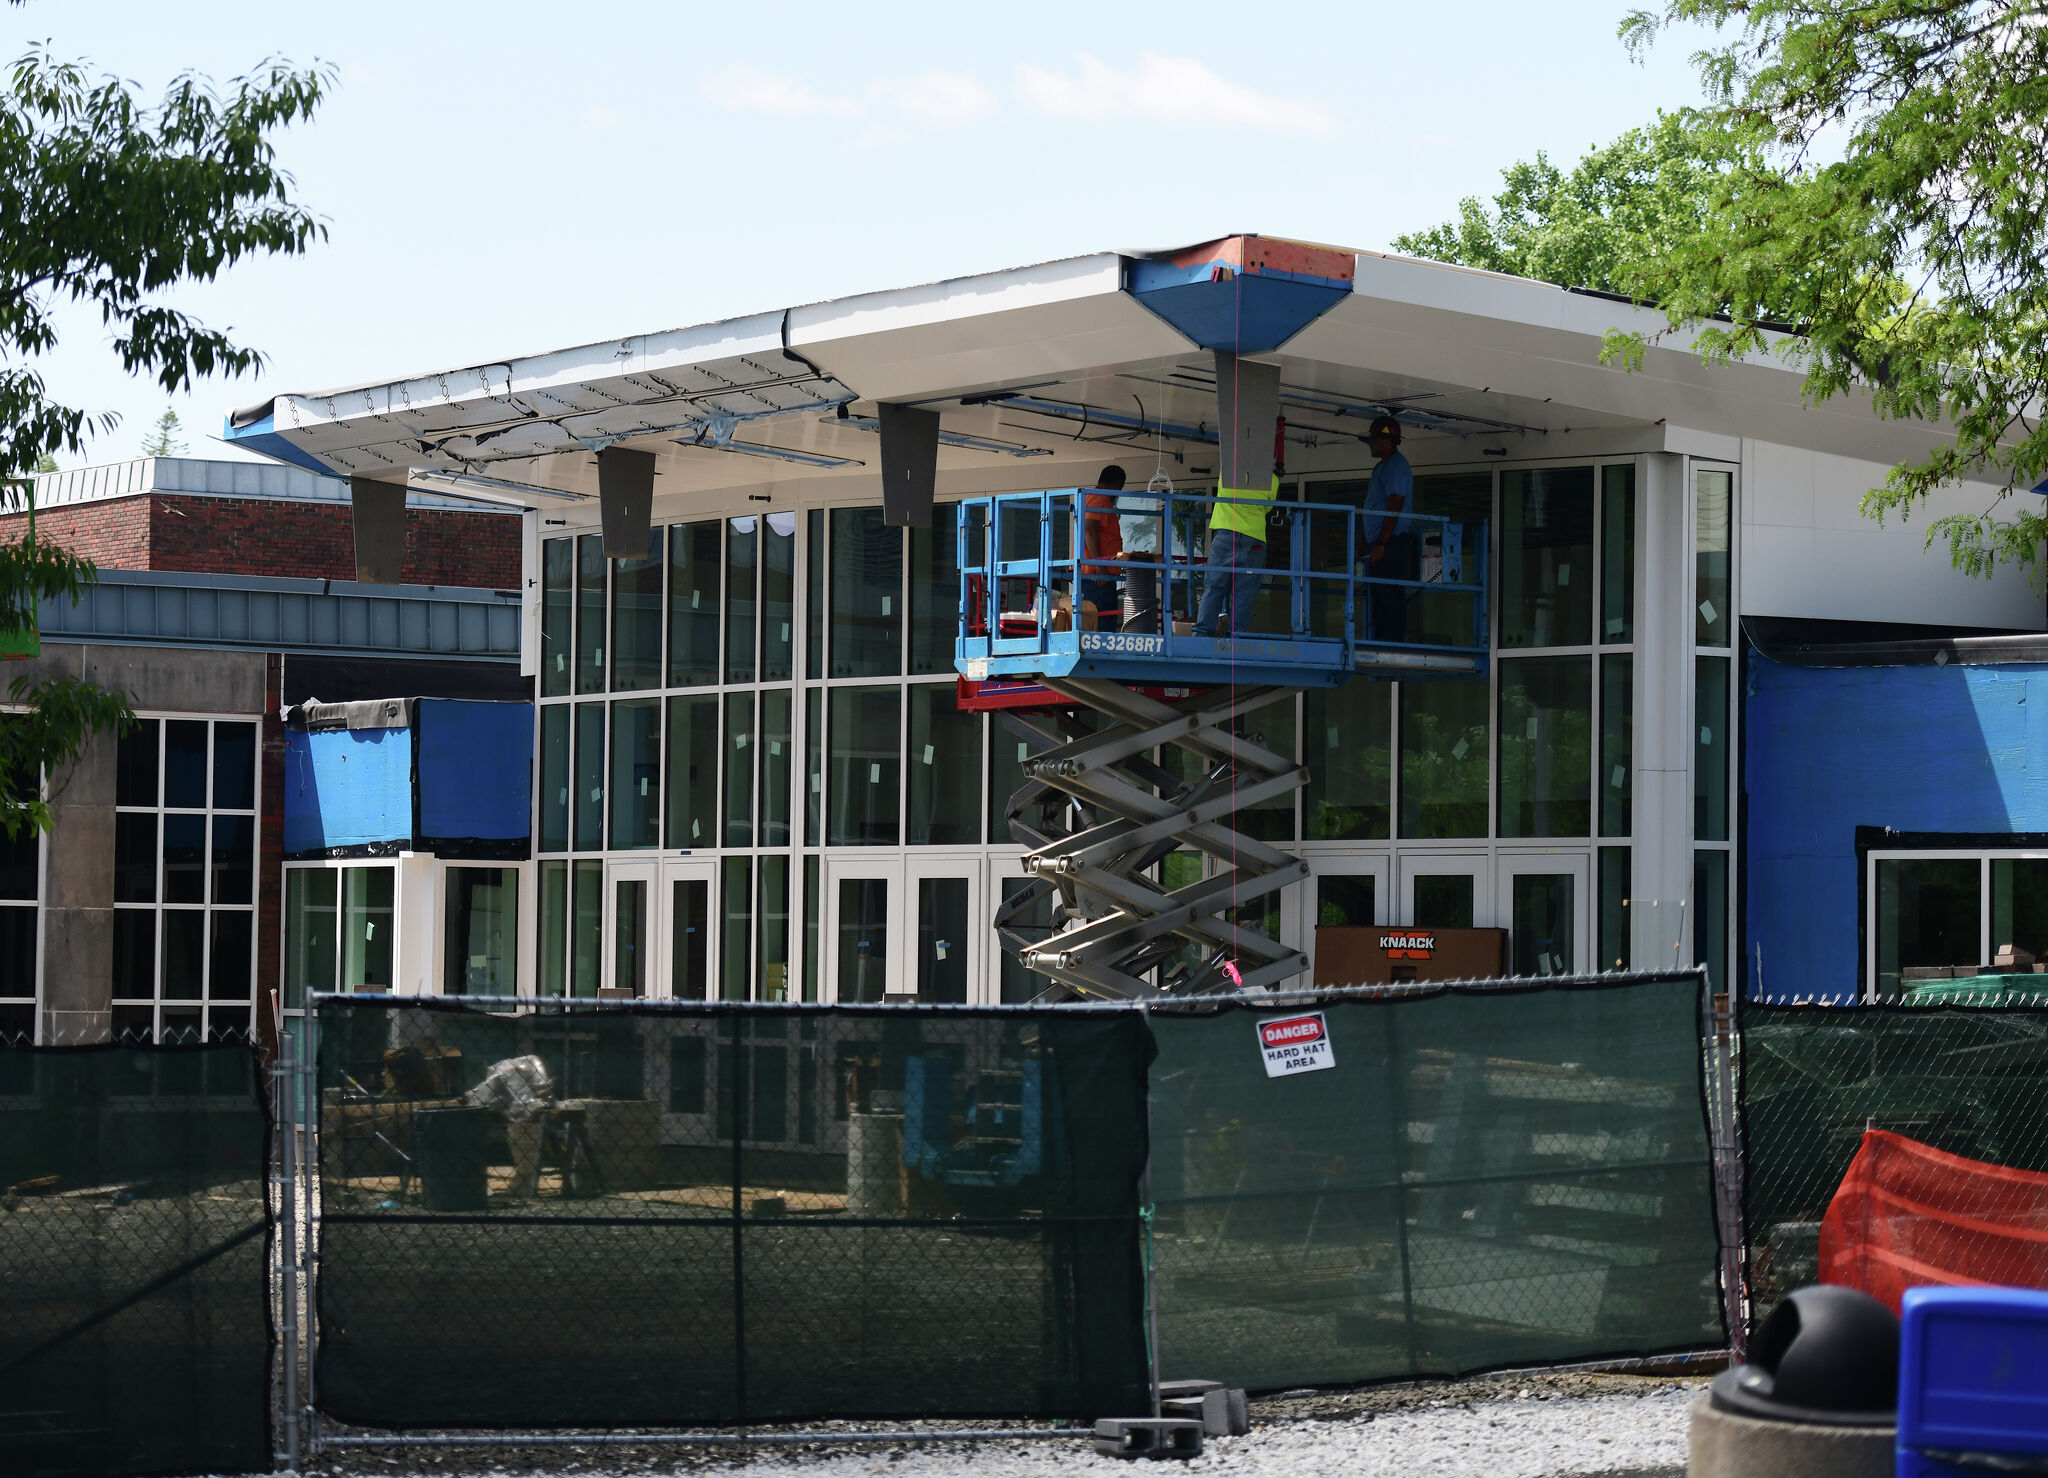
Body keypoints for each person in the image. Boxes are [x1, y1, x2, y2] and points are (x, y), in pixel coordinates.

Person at [1192, 467, 1276, 639]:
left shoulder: (1228, 471)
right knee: (1244, 592)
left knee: (1214, 587)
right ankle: (1235, 637)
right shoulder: (1271, 477)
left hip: (1226, 535)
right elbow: (1268, 507)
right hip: (1254, 537)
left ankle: (1201, 634)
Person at [1360, 415, 1417, 642]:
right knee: (1379, 594)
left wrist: (1382, 544)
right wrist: (1367, 542)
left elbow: (1395, 506)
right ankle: (1381, 641)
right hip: (1380, 541)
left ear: (1387, 441)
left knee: (1389, 595)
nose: (1370, 444)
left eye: (1374, 440)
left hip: (1391, 542)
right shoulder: (1382, 468)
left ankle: (1390, 644)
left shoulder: (1396, 466)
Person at [1079, 465, 1125, 631]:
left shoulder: (1091, 497)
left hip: (1097, 574)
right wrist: (1100, 566)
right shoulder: (1099, 498)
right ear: (1115, 483)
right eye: (1120, 487)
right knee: (1102, 627)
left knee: (1098, 625)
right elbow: (1089, 529)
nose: (1119, 492)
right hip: (1098, 576)